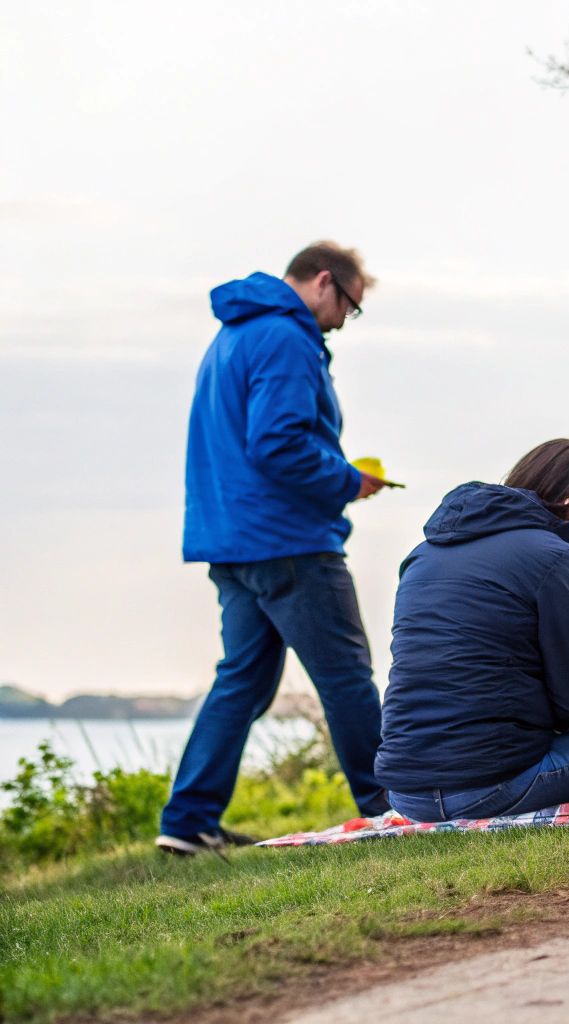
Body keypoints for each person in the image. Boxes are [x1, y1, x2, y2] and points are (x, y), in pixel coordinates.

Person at [159, 242, 388, 856]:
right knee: (347, 677)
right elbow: (278, 445)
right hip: (288, 542)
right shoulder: (287, 338)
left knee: (243, 681)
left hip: (231, 541)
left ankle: (186, 822)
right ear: (322, 282)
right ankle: (392, 807)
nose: (344, 322)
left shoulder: (232, 336)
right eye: (349, 307)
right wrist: (347, 481)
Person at [378, 439, 569, 822]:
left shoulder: (420, 556)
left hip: (404, 793)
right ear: (568, 503)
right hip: (485, 788)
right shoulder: (556, 557)